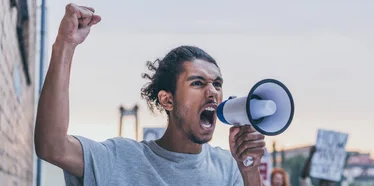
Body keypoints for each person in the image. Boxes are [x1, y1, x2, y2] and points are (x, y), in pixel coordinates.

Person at [34, 3, 266, 186]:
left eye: (217, 83)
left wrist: (250, 171)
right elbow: (51, 147)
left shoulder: (229, 167)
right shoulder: (120, 159)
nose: (213, 91)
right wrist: (65, 45)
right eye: (197, 83)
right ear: (167, 99)